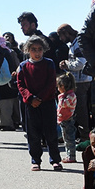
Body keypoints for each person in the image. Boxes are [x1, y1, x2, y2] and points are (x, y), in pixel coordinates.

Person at [16, 36, 62, 171]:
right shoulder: (23, 66)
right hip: (31, 105)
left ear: (44, 50)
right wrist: (30, 98)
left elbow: (51, 83)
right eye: (33, 49)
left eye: (39, 49)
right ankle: (35, 160)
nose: (37, 53)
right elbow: (20, 84)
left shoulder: (49, 63)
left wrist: (40, 98)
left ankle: (55, 160)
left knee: (51, 133)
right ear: (28, 50)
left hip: (47, 103)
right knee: (33, 134)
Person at [56, 24, 92, 140]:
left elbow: (81, 63)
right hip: (78, 81)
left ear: (66, 33)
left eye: (61, 36)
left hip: (81, 81)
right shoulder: (73, 44)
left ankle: (85, 136)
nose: (61, 39)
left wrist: (67, 64)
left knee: (81, 110)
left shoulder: (77, 44)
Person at [57, 72, 78, 163]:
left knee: (69, 139)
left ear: (63, 86)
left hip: (68, 120)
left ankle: (71, 156)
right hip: (64, 120)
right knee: (66, 139)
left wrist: (61, 96)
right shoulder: (67, 95)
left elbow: (63, 104)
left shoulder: (70, 96)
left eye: (58, 87)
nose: (58, 89)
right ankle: (69, 154)